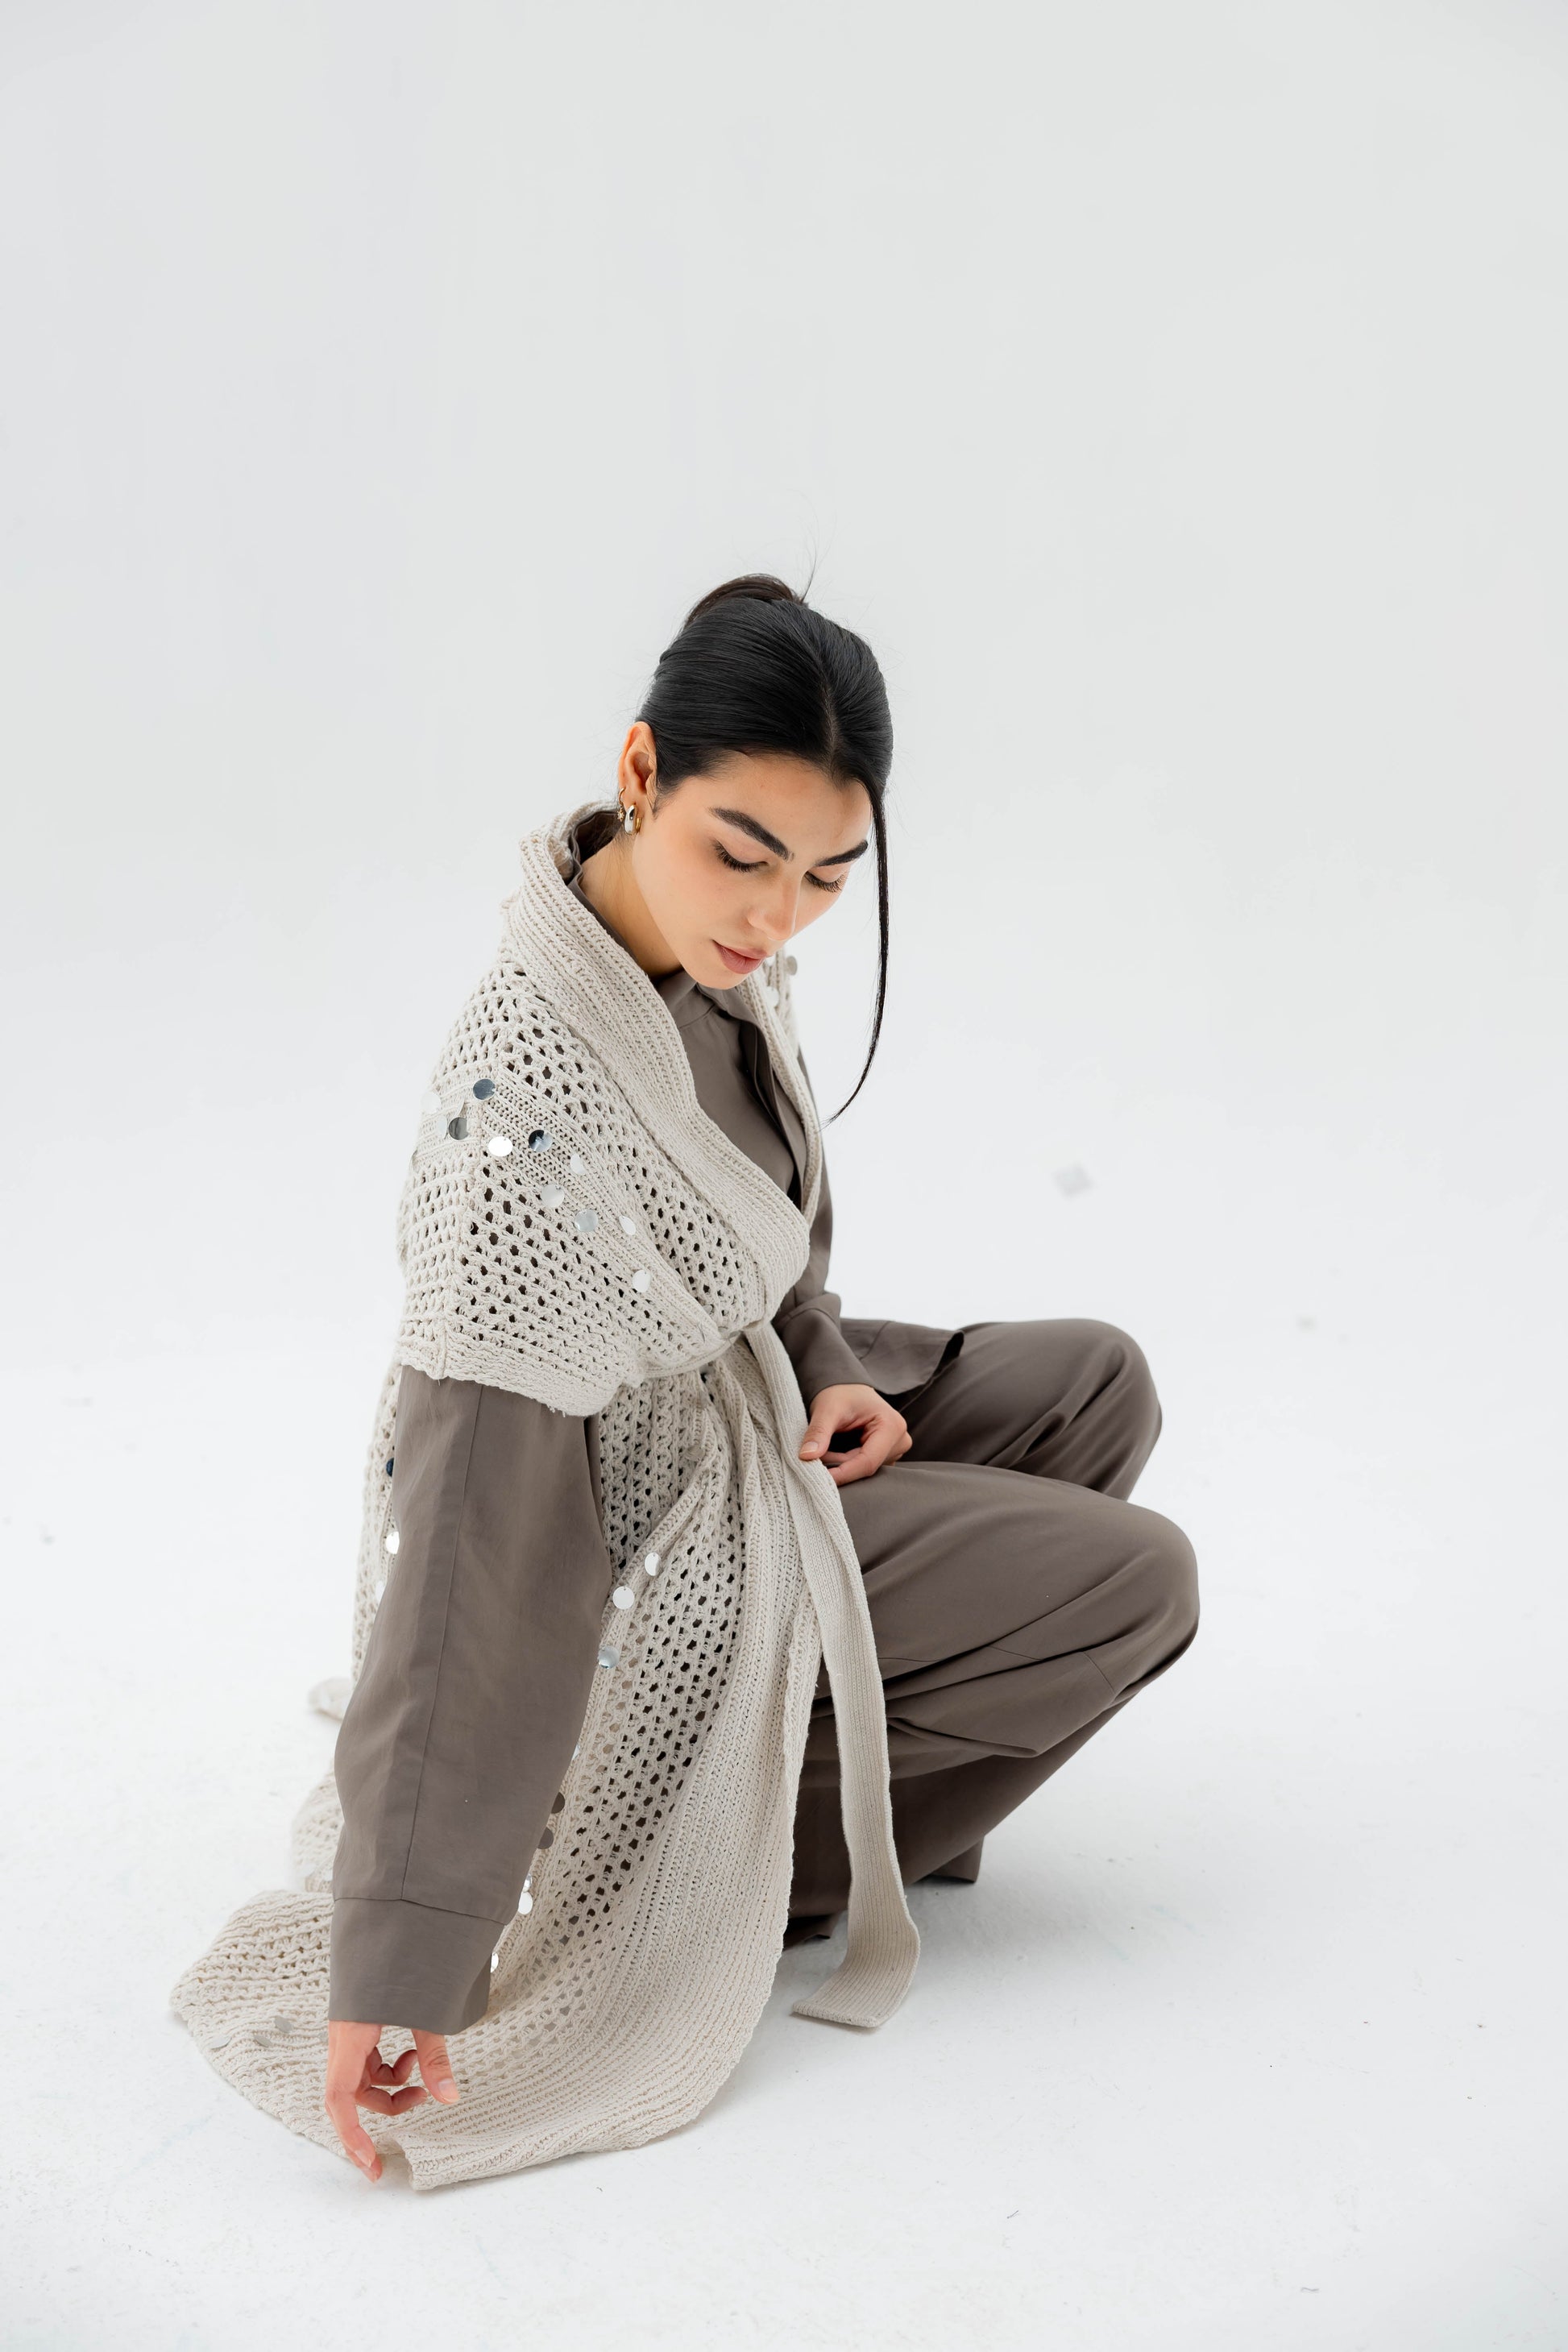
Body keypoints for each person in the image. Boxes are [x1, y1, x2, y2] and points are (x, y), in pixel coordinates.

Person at [301, 574, 1200, 2181]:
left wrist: (825, 1364)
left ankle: (852, 1755)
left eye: (826, 875)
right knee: (1140, 1579)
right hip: (632, 1552)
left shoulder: (709, 952)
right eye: (742, 853)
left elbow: (765, 1241)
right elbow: (468, 1553)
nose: (777, 916)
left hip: (735, 1400)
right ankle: (696, 1846)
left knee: (1094, 1388)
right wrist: (404, 1953)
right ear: (641, 771)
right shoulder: (519, 1108)